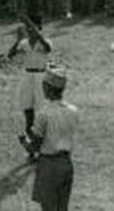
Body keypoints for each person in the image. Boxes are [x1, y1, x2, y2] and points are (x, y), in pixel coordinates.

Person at [19, 66, 78, 211]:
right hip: (67, 164)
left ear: (48, 88)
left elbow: (35, 147)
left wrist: (24, 142)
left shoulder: (43, 114)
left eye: (44, 85)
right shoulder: (72, 111)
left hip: (48, 166)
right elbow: (57, 133)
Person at [8, 15, 52, 161]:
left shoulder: (44, 42)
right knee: (28, 112)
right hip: (27, 76)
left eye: (32, 27)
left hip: (40, 77)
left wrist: (30, 24)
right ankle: (32, 150)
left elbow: (48, 48)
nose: (30, 30)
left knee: (40, 114)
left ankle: (42, 148)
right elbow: (10, 55)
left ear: (39, 29)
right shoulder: (24, 43)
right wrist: (18, 41)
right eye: (28, 28)